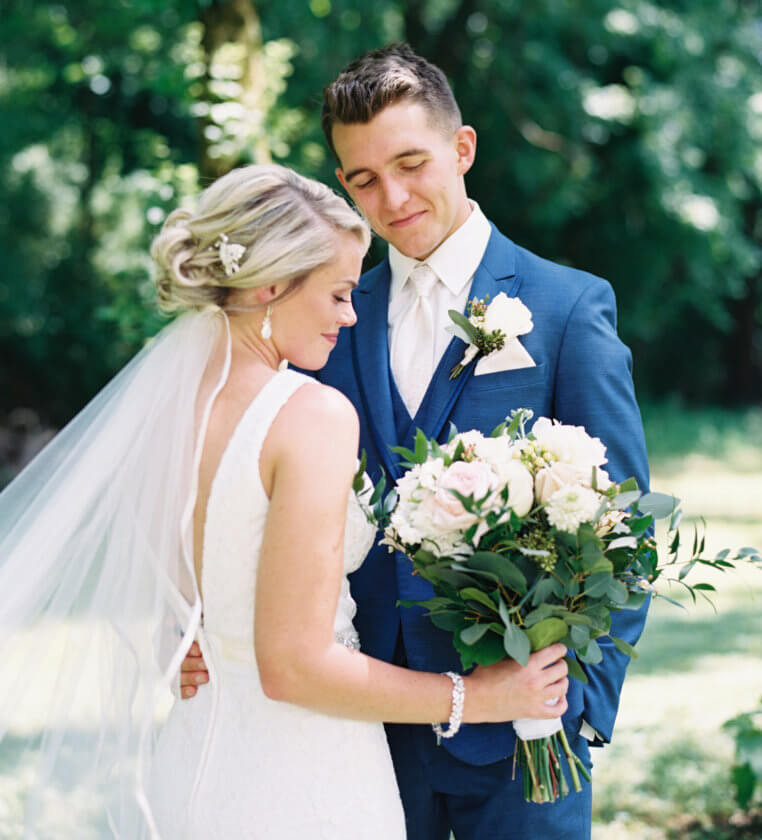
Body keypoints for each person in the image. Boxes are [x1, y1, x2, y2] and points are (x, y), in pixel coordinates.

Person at [0, 164, 569, 838]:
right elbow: (294, 666)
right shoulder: (310, 417)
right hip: (301, 780)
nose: (351, 315)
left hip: (187, 765)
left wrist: (177, 642)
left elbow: (183, 597)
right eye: (336, 295)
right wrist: (475, 698)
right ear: (269, 286)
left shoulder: (161, 411)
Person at [182, 44, 650, 840]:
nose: (391, 197)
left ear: (461, 148)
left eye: (410, 163)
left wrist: (575, 712)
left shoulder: (567, 309)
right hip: (356, 731)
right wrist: (203, 626)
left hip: (520, 743)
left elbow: (625, 527)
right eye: (362, 179)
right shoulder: (323, 314)